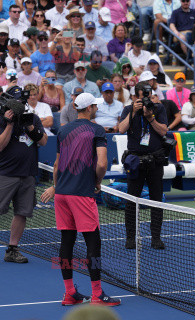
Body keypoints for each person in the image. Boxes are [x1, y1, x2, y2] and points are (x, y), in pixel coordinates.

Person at [39, 92, 120, 306]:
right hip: (81, 194)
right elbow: (101, 164)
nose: (97, 108)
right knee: (93, 242)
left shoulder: (63, 130)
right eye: (95, 105)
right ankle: (97, 294)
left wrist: (57, 187)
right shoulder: (97, 129)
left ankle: (69, 293)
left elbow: (56, 165)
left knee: (67, 241)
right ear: (90, 108)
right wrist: (97, 181)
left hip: (62, 194)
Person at [118, 82, 168, 250]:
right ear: (135, 96)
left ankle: (156, 237)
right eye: (141, 97)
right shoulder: (128, 109)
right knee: (132, 199)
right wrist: (133, 111)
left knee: (156, 199)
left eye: (147, 95)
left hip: (155, 160)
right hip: (135, 160)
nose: (144, 100)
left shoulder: (158, 109)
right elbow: (121, 129)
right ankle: (130, 237)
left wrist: (150, 118)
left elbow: (163, 131)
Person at [0, 99, 48, 264]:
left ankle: (12, 250)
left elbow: (43, 141)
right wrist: (9, 124)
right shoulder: (2, 119)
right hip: (5, 173)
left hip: (27, 174)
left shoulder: (32, 118)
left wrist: (30, 127)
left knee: (22, 213)